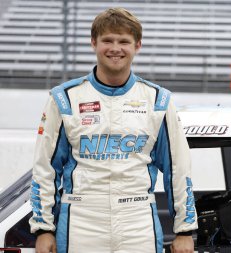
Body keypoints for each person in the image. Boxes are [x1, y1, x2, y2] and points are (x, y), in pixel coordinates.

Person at [29, 7, 197, 253]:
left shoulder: (159, 100)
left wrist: (184, 230)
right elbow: (45, 168)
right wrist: (44, 229)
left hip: (137, 221)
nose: (115, 48)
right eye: (107, 40)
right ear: (94, 43)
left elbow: (178, 169)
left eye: (124, 41)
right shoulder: (64, 99)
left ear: (137, 45)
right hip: (81, 220)